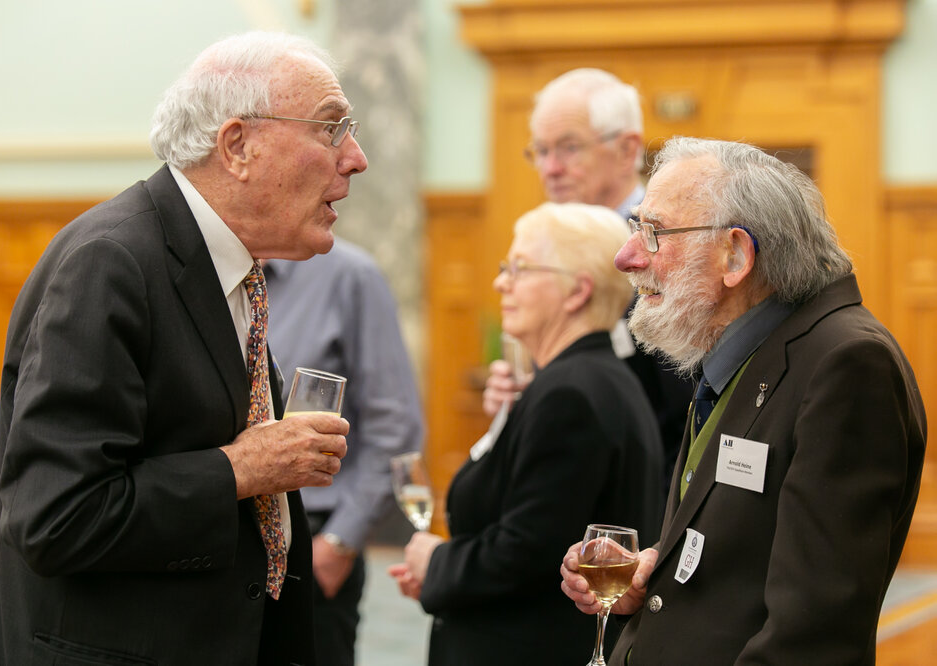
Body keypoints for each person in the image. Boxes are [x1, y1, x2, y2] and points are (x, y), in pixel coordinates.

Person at [0, 31, 368, 666]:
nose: (356, 158)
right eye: (331, 129)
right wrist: (241, 468)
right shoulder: (109, 262)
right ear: (238, 146)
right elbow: (56, 516)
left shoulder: (231, 267)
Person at [560, 137, 927, 665]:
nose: (627, 256)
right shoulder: (737, 348)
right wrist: (654, 571)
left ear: (735, 254)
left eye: (653, 232)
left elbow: (814, 636)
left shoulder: (847, 364)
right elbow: (748, 551)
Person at [389, 202, 666, 665]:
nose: (501, 283)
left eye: (519, 268)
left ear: (577, 291)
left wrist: (436, 562)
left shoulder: (570, 394)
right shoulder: (586, 379)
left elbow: (528, 553)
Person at [501, 67, 695, 483]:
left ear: (627, 150)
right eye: (541, 151)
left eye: (569, 148)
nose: (550, 168)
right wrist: (526, 398)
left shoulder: (669, 245)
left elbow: (688, 413)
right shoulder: (546, 245)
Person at [263, 237, 424, 666]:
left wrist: (340, 541)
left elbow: (396, 424)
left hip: (312, 539)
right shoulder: (214, 271)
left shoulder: (351, 276)